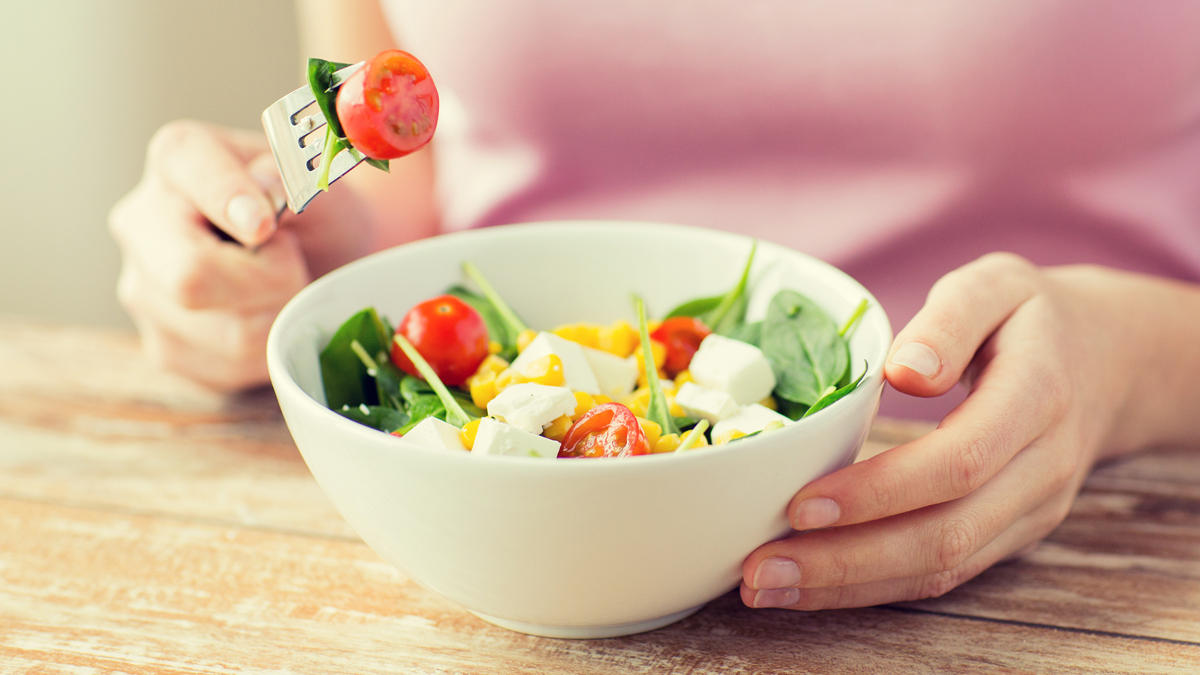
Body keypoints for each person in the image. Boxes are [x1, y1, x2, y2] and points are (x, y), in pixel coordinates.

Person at [108, 0, 1200, 612]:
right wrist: (293, 269)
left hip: (1089, 570)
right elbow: (404, 185)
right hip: (480, 534)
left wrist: (1136, 364)